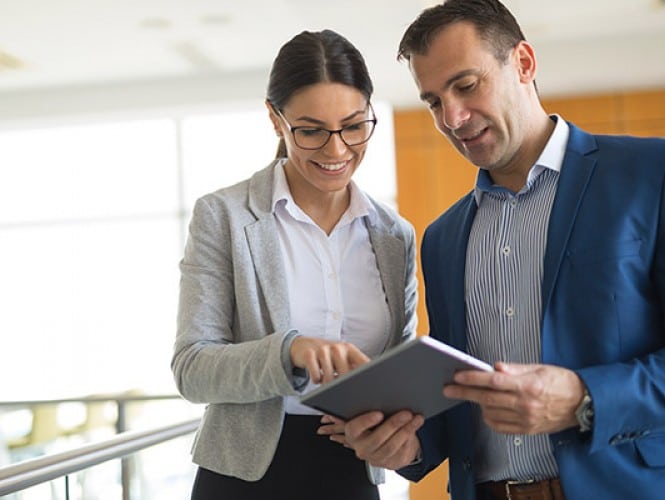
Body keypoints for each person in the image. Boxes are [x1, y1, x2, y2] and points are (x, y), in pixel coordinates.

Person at [336, 1, 665, 499]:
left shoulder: (649, 175)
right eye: (433, 101)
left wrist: (585, 398)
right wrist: (405, 444)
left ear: (525, 64)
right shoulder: (444, 238)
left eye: (466, 86)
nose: (452, 117)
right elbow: (457, 400)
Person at [171, 29, 417, 500]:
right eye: (311, 130)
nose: (337, 150)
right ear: (275, 119)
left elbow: (397, 369)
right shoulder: (224, 216)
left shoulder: (394, 237)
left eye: (353, 126)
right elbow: (192, 368)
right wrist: (289, 352)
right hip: (243, 478)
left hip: (352, 474)